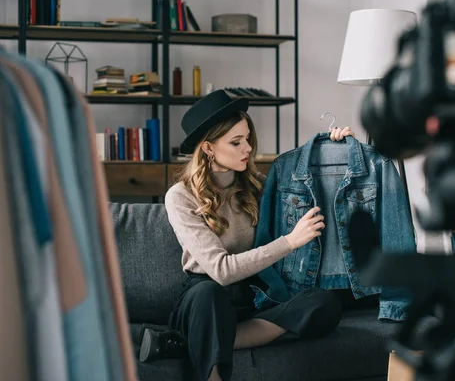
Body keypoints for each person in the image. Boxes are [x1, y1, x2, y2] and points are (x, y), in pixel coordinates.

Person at [139, 90, 355, 381]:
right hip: (205, 300)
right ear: (208, 148)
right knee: (209, 294)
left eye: (248, 139)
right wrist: (289, 242)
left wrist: (332, 149)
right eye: (236, 142)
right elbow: (220, 271)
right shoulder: (180, 196)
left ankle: (187, 344)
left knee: (323, 303)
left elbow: (308, 190)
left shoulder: (257, 186)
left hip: (254, 298)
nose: (248, 148)